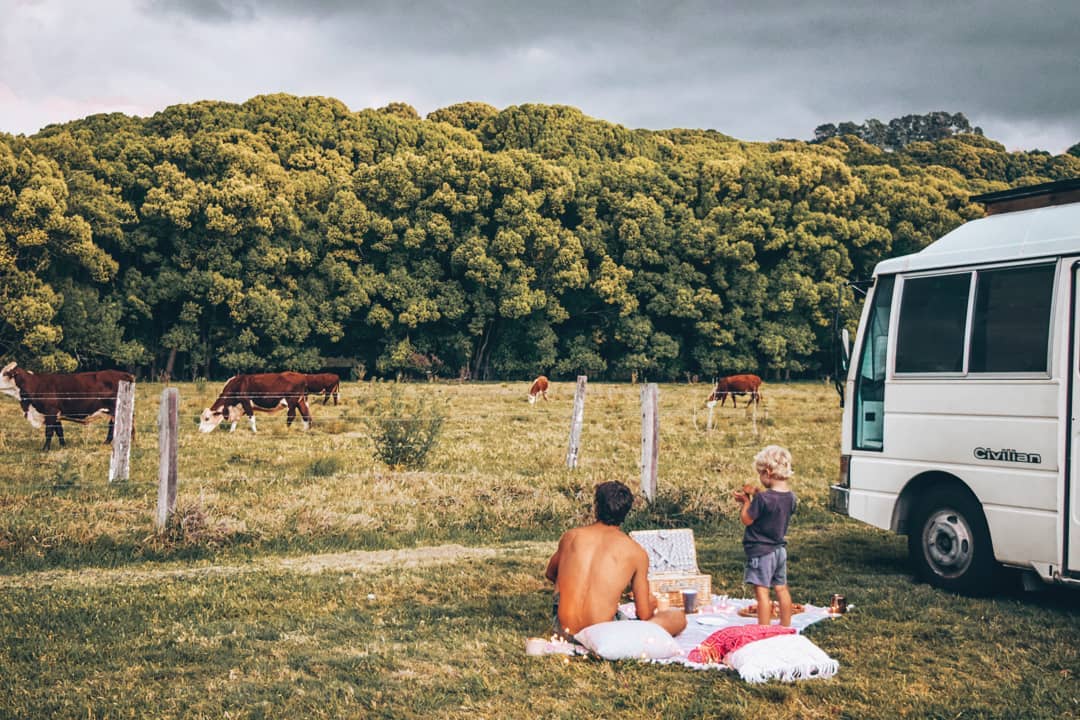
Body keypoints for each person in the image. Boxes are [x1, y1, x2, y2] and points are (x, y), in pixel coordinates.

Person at [545, 481, 687, 642]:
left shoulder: (571, 536)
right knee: (677, 617)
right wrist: (653, 604)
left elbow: (550, 573)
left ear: (596, 507)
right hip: (602, 635)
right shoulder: (636, 552)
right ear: (626, 512)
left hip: (563, 630)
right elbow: (644, 614)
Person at [734, 445, 797, 626]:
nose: (760, 479)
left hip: (761, 551)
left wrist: (746, 502)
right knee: (782, 589)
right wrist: (757, 493)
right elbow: (774, 501)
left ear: (768, 472)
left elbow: (747, 519)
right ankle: (785, 626)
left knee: (762, 593)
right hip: (779, 551)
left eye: (761, 474)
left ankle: (763, 629)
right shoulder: (791, 497)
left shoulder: (762, 499)